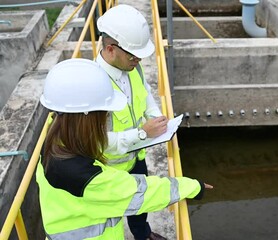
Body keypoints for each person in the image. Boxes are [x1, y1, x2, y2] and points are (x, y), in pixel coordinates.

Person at [36, 58, 213, 240]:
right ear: (87, 118)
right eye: (104, 114)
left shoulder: (54, 142)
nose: (105, 119)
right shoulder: (85, 177)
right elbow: (141, 193)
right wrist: (193, 186)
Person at [96, 5, 169, 240]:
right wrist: (142, 135)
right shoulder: (93, 85)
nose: (138, 60)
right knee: (110, 219)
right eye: (133, 55)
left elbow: (145, 95)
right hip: (109, 170)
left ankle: (143, 234)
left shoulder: (132, 69)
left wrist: (156, 118)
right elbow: (97, 141)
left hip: (136, 158)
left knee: (141, 203)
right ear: (110, 49)